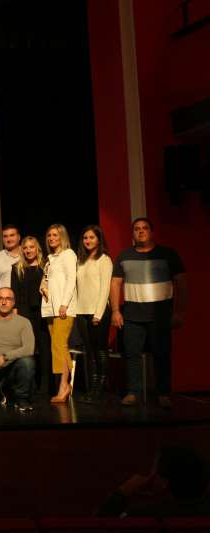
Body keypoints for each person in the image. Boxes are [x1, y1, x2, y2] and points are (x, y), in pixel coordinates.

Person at [111, 217, 186, 408]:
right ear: (133, 233)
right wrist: (115, 311)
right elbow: (116, 283)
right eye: (136, 229)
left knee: (162, 354)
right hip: (132, 316)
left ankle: (163, 393)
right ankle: (133, 392)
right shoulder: (124, 256)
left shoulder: (167, 254)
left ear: (151, 232)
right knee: (131, 354)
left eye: (145, 228)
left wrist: (179, 311)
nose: (141, 231)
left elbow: (181, 283)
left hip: (160, 315)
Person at [98, 445, 210, 517]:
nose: (150, 476)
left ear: (164, 483)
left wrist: (123, 491)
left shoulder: (142, 515)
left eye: (154, 469)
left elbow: (99, 526)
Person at [74, 225, 113, 404]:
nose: (87, 241)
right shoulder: (81, 261)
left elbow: (105, 288)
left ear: (99, 240)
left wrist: (98, 313)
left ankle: (99, 390)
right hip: (82, 312)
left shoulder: (104, 260)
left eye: (91, 237)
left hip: (98, 312)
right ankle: (91, 390)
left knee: (100, 351)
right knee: (89, 351)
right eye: (85, 238)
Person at [41, 224, 78, 404]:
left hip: (64, 308)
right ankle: (61, 385)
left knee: (60, 345)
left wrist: (64, 304)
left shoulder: (68, 254)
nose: (51, 238)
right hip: (51, 309)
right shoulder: (50, 258)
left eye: (55, 235)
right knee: (56, 347)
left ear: (62, 236)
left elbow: (71, 279)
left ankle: (65, 385)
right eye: (49, 235)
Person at [11, 236, 52, 397]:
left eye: (31, 247)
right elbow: (14, 293)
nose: (28, 250)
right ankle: (29, 385)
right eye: (25, 248)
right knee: (28, 350)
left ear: (37, 249)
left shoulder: (45, 267)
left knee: (44, 349)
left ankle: (45, 386)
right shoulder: (17, 268)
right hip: (23, 313)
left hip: (42, 312)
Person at [0, 224, 22, 298]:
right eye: (5, 236)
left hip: (27, 301)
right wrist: (2, 298)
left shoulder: (27, 254)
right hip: (6, 303)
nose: (9, 239)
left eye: (12, 235)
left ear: (19, 237)